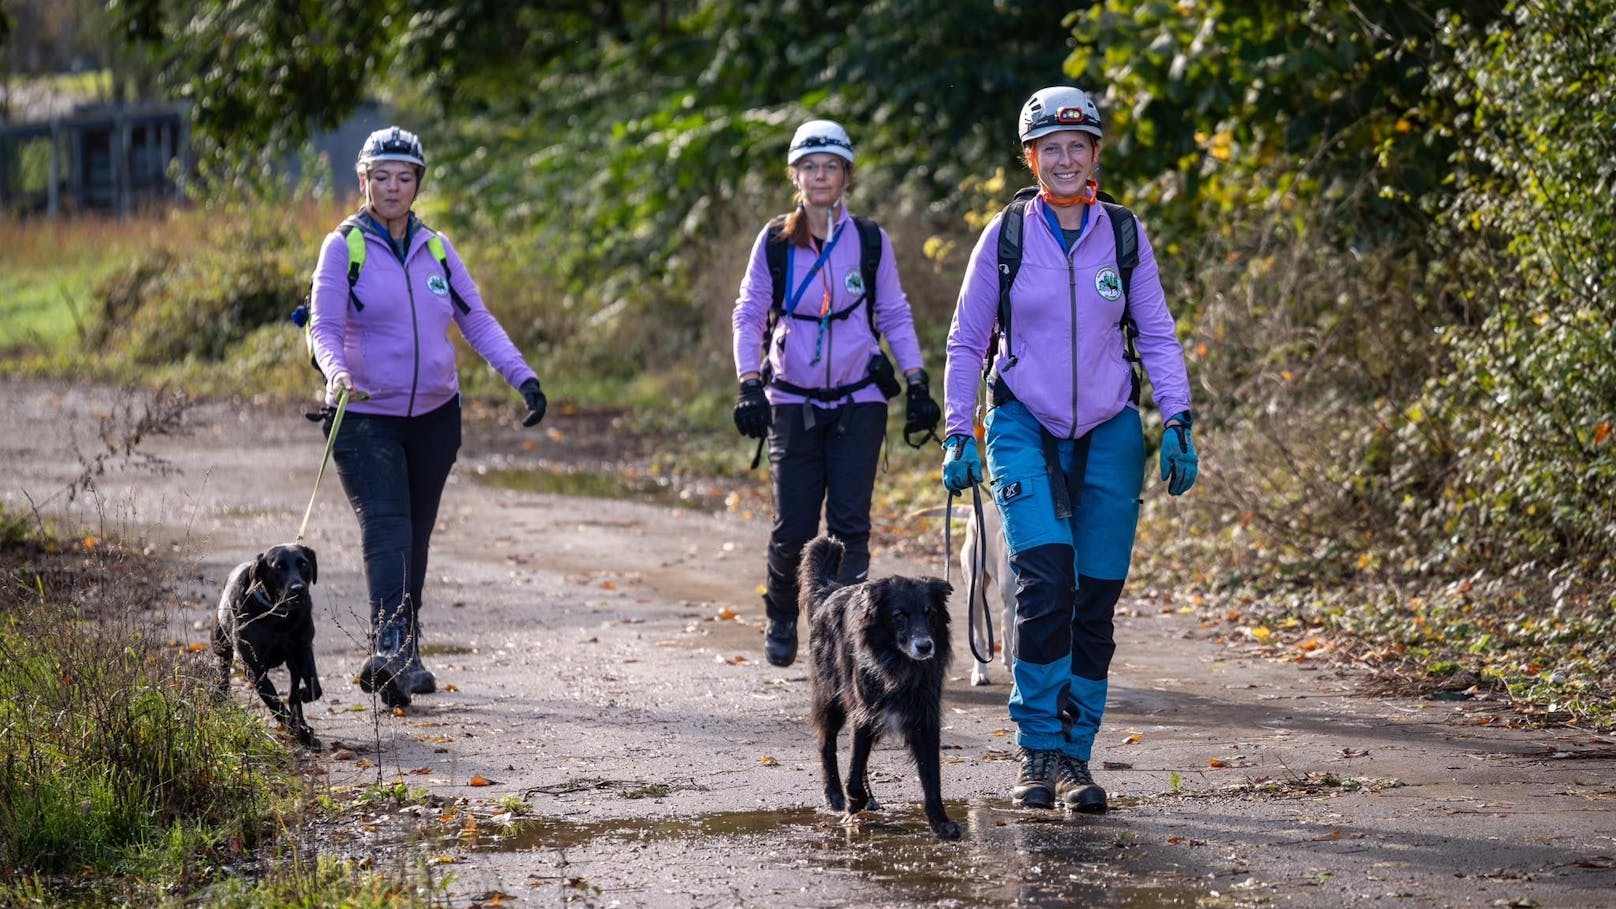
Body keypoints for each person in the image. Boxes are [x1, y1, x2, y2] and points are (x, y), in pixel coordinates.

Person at [940, 87, 1199, 813]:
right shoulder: (1006, 235)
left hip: (1112, 428)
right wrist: (960, 430)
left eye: (1076, 145)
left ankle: (1076, 756)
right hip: (1024, 420)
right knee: (1046, 581)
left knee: (1096, 599)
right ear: (1031, 157)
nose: (1063, 157)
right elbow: (967, 340)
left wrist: (1177, 418)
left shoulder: (1122, 232)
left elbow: (1155, 331)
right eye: (1049, 147)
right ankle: (1036, 748)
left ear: (1094, 155)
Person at [307, 126, 548, 708]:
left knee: (414, 535)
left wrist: (523, 377)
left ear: (418, 183)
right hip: (365, 415)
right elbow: (323, 326)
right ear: (363, 181)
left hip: (436, 417)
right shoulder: (344, 247)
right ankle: (388, 646)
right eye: (381, 177)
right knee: (387, 527)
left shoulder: (437, 248)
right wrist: (337, 374)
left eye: (404, 177)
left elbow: (477, 321)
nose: (393, 187)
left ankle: (405, 652)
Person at [730, 119, 942, 667]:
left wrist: (917, 381)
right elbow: (750, 312)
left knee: (850, 526)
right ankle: (781, 610)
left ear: (845, 176)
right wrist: (748, 383)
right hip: (792, 401)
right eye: (810, 166)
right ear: (794, 176)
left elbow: (893, 311)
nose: (820, 175)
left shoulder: (869, 241)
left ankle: (848, 640)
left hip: (859, 400)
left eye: (831, 166)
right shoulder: (775, 241)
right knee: (794, 529)